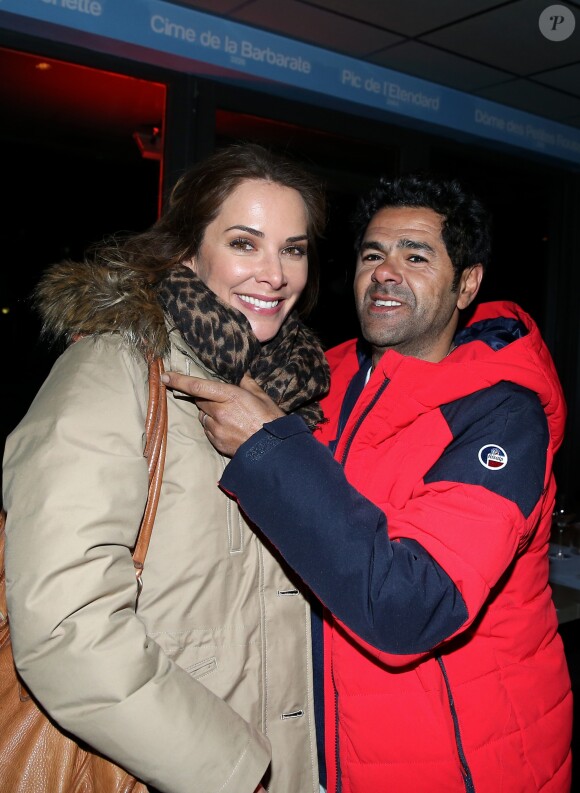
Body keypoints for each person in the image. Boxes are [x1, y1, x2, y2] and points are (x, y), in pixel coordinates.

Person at [161, 174, 573, 793]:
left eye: (416, 255)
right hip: (332, 753)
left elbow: (411, 606)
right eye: (373, 254)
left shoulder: (504, 415)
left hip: (465, 764)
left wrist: (269, 449)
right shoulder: (323, 374)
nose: (386, 271)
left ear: (467, 284)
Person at [2, 143, 330, 793]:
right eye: (245, 242)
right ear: (186, 252)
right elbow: (66, 624)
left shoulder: (289, 396)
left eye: (293, 248)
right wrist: (236, 771)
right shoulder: (116, 370)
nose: (275, 272)